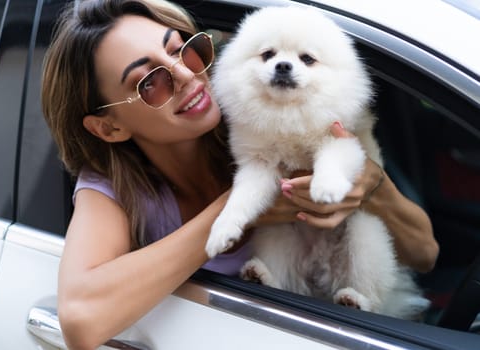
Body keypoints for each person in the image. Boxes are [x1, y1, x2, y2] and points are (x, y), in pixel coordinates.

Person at [41, 0, 439, 348]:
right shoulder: (114, 189)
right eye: (150, 81)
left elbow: (425, 255)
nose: (184, 76)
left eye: (184, 51)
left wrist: (373, 187)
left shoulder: (271, 118)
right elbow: (80, 320)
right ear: (110, 127)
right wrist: (241, 210)